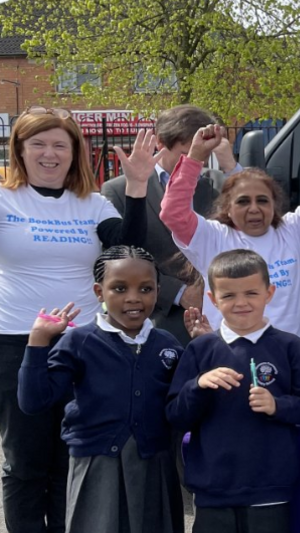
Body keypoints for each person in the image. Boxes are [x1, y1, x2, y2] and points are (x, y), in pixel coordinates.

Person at [0, 106, 153, 532]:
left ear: (74, 153)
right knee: (25, 460)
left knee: (72, 456)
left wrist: (138, 186)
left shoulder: (92, 205)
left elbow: (128, 254)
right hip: (17, 343)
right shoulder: (5, 198)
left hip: (83, 346)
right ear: (20, 150)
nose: (49, 154)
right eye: (39, 144)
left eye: (60, 146)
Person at [18, 246, 183, 533]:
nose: (133, 298)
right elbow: (34, 401)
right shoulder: (79, 341)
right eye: (119, 288)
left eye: (145, 289)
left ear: (157, 290)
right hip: (97, 465)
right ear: (99, 291)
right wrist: (38, 342)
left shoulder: (167, 344)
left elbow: (183, 403)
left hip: (154, 464)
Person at [166, 249, 300, 533]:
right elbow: (176, 416)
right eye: (228, 296)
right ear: (213, 300)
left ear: (269, 293)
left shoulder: (290, 347)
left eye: (251, 293)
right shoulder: (200, 349)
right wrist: (198, 385)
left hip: (271, 487)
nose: (241, 303)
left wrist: (278, 406)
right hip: (212, 487)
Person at [161, 121, 300, 343]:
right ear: (227, 207)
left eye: (262, 200)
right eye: (243, 201)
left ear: (274, 204)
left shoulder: (293, 230)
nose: (254, 208)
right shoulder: (213, 237)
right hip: (227, 365)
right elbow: (173, 213)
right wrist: (195, 156)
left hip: (288, 365)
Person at [103, 104, 229, 344]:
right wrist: (178, 293)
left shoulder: (217, 186)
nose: (197, 162)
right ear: (160, 142)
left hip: (213, 319)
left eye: (203, 155)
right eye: (188, 153)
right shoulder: (118, 190)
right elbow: (118, 257)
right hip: (155, 320)